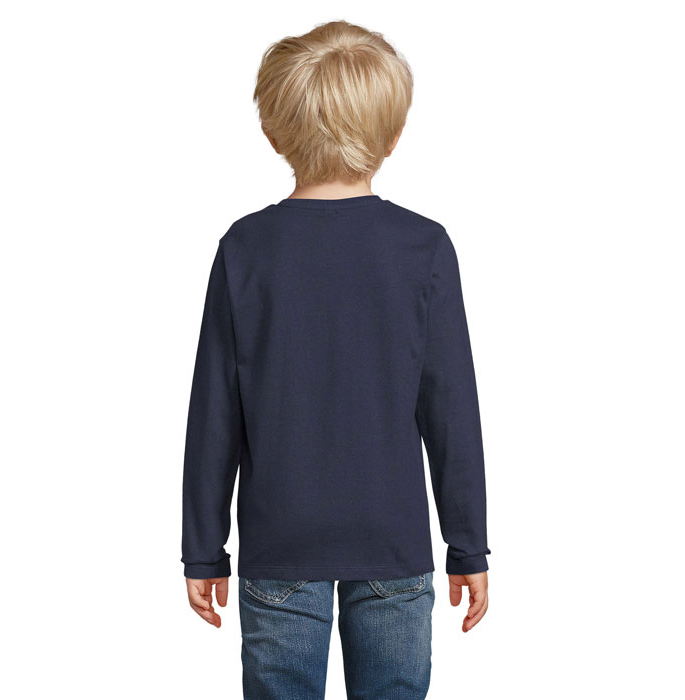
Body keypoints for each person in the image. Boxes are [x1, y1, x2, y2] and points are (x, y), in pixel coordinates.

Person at [181, 20, 490, 700]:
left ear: (273, 133)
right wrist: (467, 543)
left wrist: (203, 548)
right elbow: (451, 411)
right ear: (393, 136)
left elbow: (214, 414)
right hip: (394, 544)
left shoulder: (245, 249)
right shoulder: (423, 248)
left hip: (279, 544)